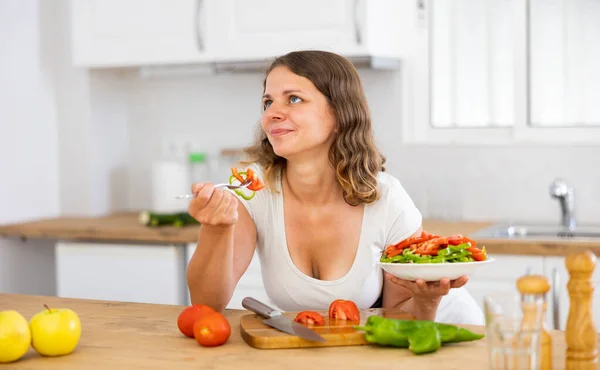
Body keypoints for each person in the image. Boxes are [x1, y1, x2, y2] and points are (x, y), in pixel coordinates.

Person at [186, 50, 484, 325]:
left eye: (293, 99)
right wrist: (217, 228)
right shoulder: (255, 189)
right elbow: (206, 304)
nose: (271, 114)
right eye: (268, 102)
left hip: (449, 331)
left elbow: (401, 320)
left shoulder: (387, 199)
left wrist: (427, 299)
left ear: (340, 114)